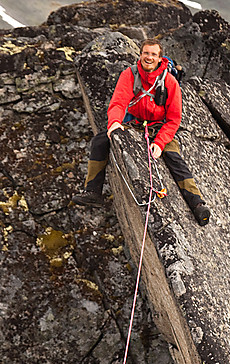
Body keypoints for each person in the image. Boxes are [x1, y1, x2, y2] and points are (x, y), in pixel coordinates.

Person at [73, 39, 211, 226]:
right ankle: (93, 192)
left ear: (160, 58)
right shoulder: (129, 74)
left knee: (174, 158)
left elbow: (173, 119)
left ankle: (197, 204)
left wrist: (160, 142)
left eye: (153, 54)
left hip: (158, 127)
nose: (149, 57)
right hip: (135, 123)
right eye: (146, 53)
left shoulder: (169, 82)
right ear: (140, 54)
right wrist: (114, 123)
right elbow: (119, 102)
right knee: (100, 140)